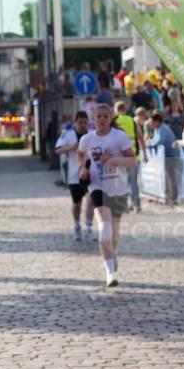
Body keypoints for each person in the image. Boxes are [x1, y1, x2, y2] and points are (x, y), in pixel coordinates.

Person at [78, 104, 136, 288]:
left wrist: (112, 160)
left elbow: (132, 161)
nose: (101, 119)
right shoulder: (87, 139)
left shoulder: (120, 137)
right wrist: (83, 170)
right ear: (93, 120)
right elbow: (82, 156)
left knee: (115, 230)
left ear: (110, 118)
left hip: (118, 187)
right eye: (98, 116)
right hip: (97, 186)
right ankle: (109, 272)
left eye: (105, 116)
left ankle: (113, 253)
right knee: (104, 225)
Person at [54, 111, 90, 241]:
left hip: (91, 173)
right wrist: (71, 148)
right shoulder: (67, 134)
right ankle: (77, 226)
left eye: (85, 122)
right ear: (75, 123)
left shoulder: (91, 135)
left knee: (91, 200)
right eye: (80, 122)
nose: (82, 125)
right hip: (74, 174)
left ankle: (89, 228)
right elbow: (57, 150)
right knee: (77, 203)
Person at [113, 101, 142, 212]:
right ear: (125, 109)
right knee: (133, 182)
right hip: (134, 156)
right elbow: (140, 136)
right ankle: (136, 205)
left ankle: (124, 206)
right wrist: (143, 151)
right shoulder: (132, 120)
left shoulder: (115, 121)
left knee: (122, 182)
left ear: (116, 109)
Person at [147, 112, 180, 204]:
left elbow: (160, 141)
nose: (151, 124)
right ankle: (169, 196)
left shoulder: (162, 128)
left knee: (171, 175)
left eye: (152, 122)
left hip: (171, 155)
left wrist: (149, 146)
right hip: (167, 155)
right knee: (168, 175)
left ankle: (173, 197)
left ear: (157, 121)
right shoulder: (157, 128)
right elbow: (155, 140)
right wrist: (149, 143)